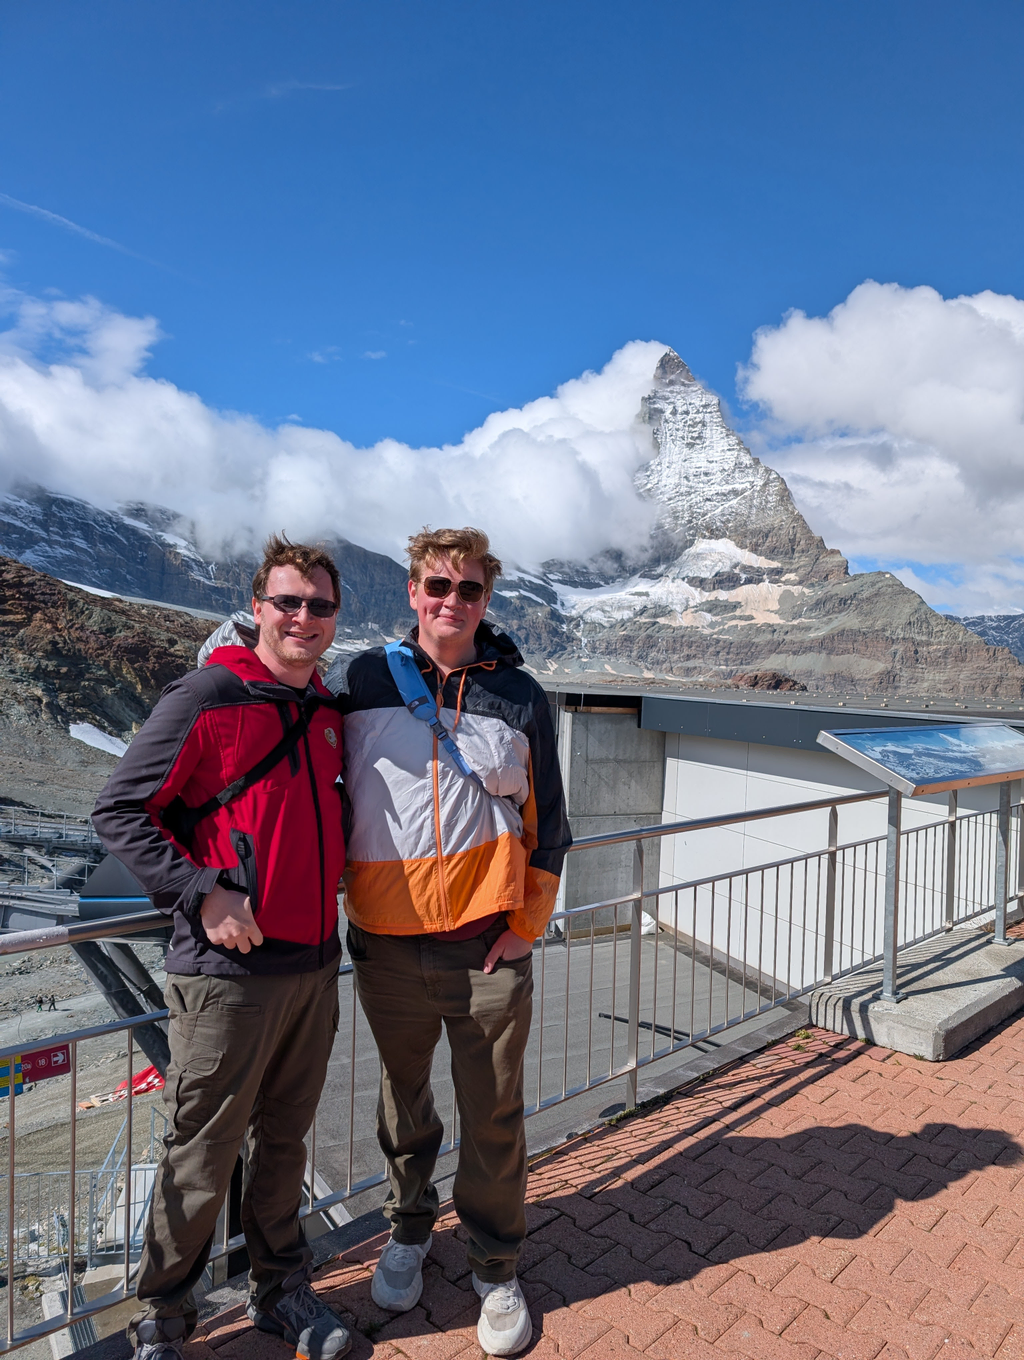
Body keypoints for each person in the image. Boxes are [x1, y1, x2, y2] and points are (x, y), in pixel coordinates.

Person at [92, 535, 350, 1360]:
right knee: (200, 1150)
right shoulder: (208, 695)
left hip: (313, 966)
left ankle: (282, 1295)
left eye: (318, 606)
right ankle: (163, 1321)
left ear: (334, 619)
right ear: (258, 608)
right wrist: (202, 892)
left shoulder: (327, 715)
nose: (302, 618)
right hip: (227, 976)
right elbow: (121, 809)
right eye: (287, 602)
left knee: (285, 1141)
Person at [326, 526, 571, 1358]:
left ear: (486, 598)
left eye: (468, 589)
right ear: (412, 591)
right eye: (438, 586)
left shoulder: (521, 695)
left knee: (493, 1113)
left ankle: (496, 1265)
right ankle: (408, 1228)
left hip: (486, 946)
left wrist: (524, 927)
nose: (451, 602)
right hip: (386, 945)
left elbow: (551, 826)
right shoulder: (359, 681)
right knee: (405, 1101)